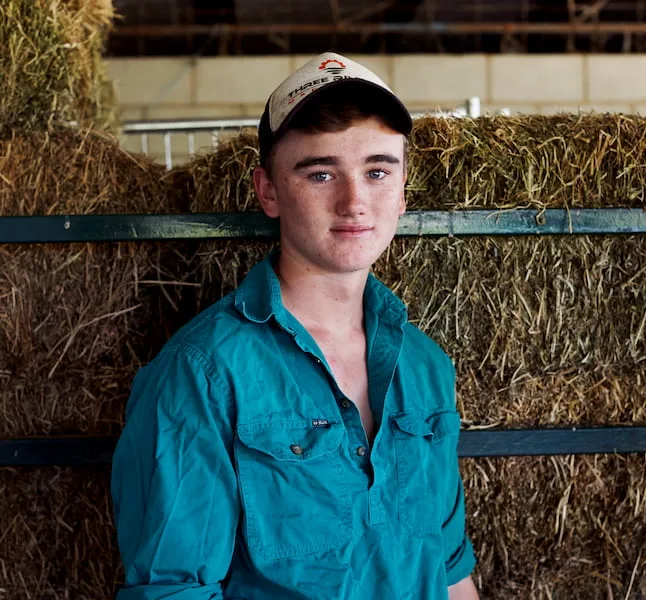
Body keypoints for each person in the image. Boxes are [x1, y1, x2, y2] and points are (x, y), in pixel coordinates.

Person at [111, 52, 480, 600]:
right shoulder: (204, 373)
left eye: (378, 171)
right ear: (268, 191)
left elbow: (449, 571)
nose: (355, 201)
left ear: (403, 192)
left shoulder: (424, 367)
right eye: (321, 172)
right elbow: (174, 590)